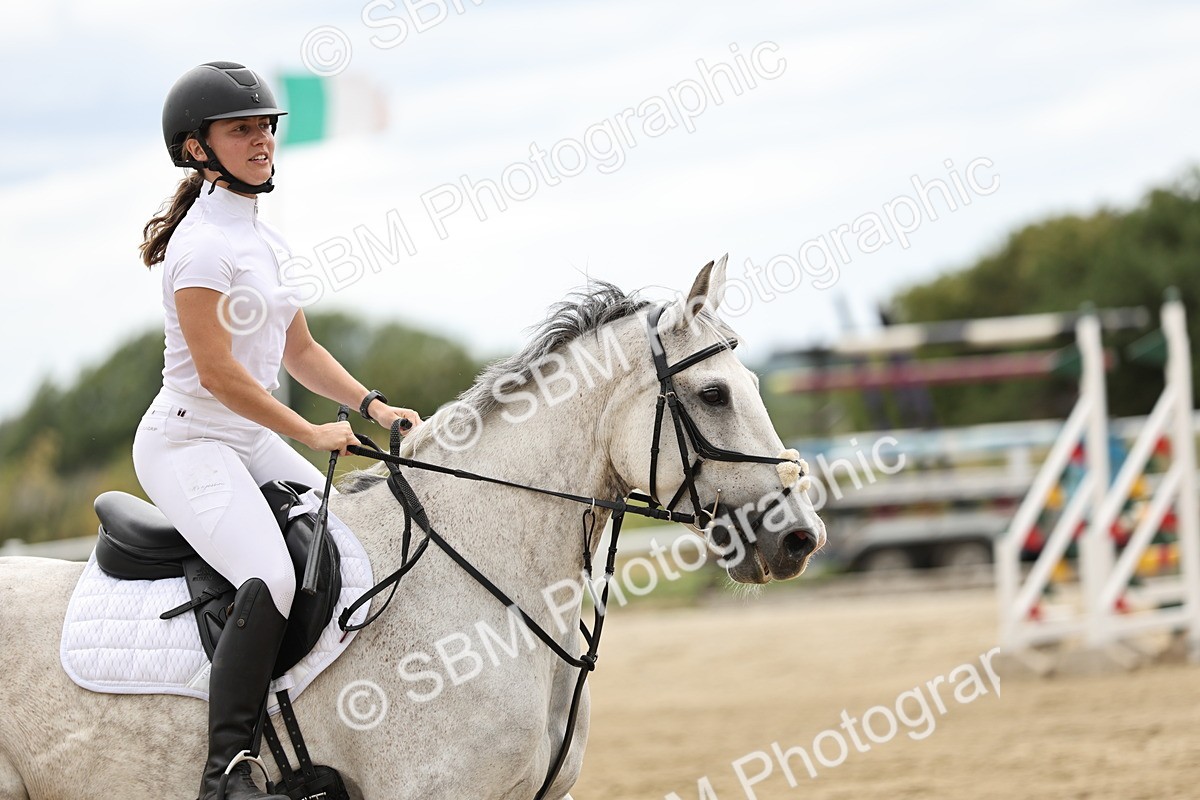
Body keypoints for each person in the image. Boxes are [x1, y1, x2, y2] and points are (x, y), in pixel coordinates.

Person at [134, 61, 421, 800]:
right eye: (242, 129)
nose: (262, 139)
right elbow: (221, 373)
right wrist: (309, 432)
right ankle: (225, 768)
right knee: (272, 573)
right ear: (198, 148)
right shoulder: (201, 247)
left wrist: (372, 406)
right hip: (190, 440)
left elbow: (301, 352)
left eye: (266, 126)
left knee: (349, 545)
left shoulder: (268, 242)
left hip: (249, 435)